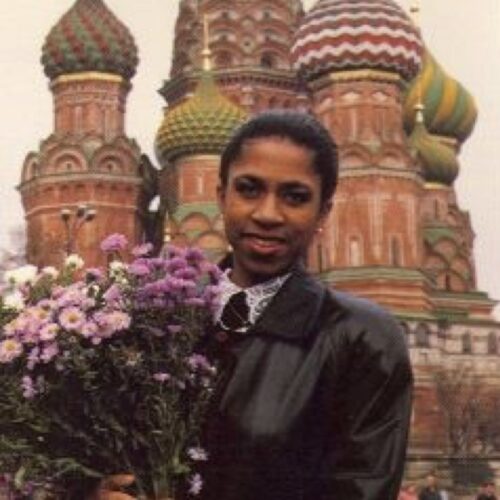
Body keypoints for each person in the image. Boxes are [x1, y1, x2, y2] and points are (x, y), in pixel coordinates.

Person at [99, 110, 413, 499]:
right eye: (249, 189)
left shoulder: (359, 338)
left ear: (323, 212)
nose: (267, 214)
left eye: (295, 197)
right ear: (221, 196)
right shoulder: (157, 326)